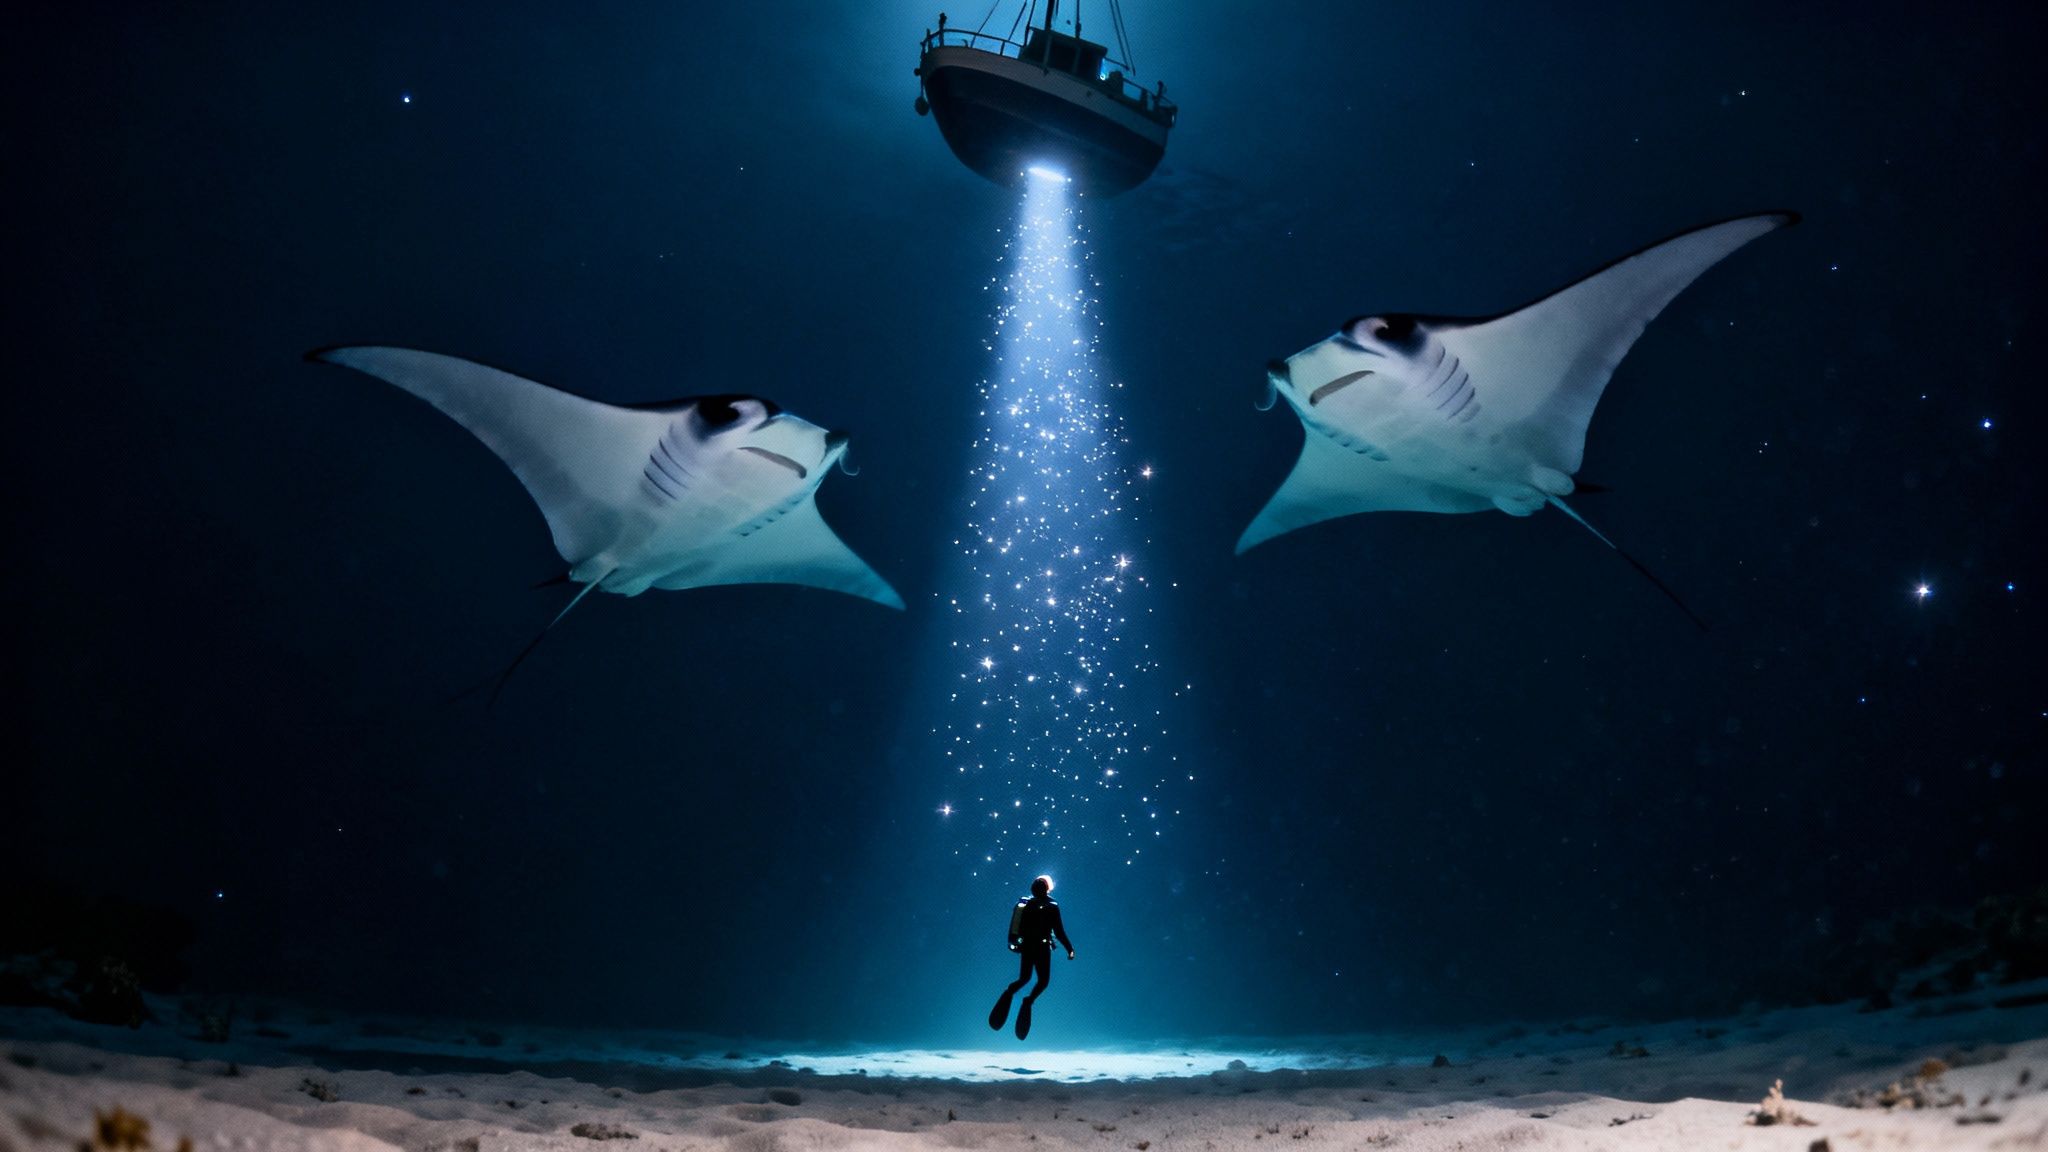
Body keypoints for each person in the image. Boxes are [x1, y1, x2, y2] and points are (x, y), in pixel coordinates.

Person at [988, 875, 1074, 1040]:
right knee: (1042, 981)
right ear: (1047, 888)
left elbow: (1057, 931)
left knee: (1025, 978)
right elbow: (1059, 931)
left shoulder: (1027, 905)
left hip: (1028, 948)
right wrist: (1069, 949)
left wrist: (1069, 948)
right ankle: (1027, 1001)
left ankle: (1011, 993)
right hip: (1040, 948)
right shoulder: (1051, 906)